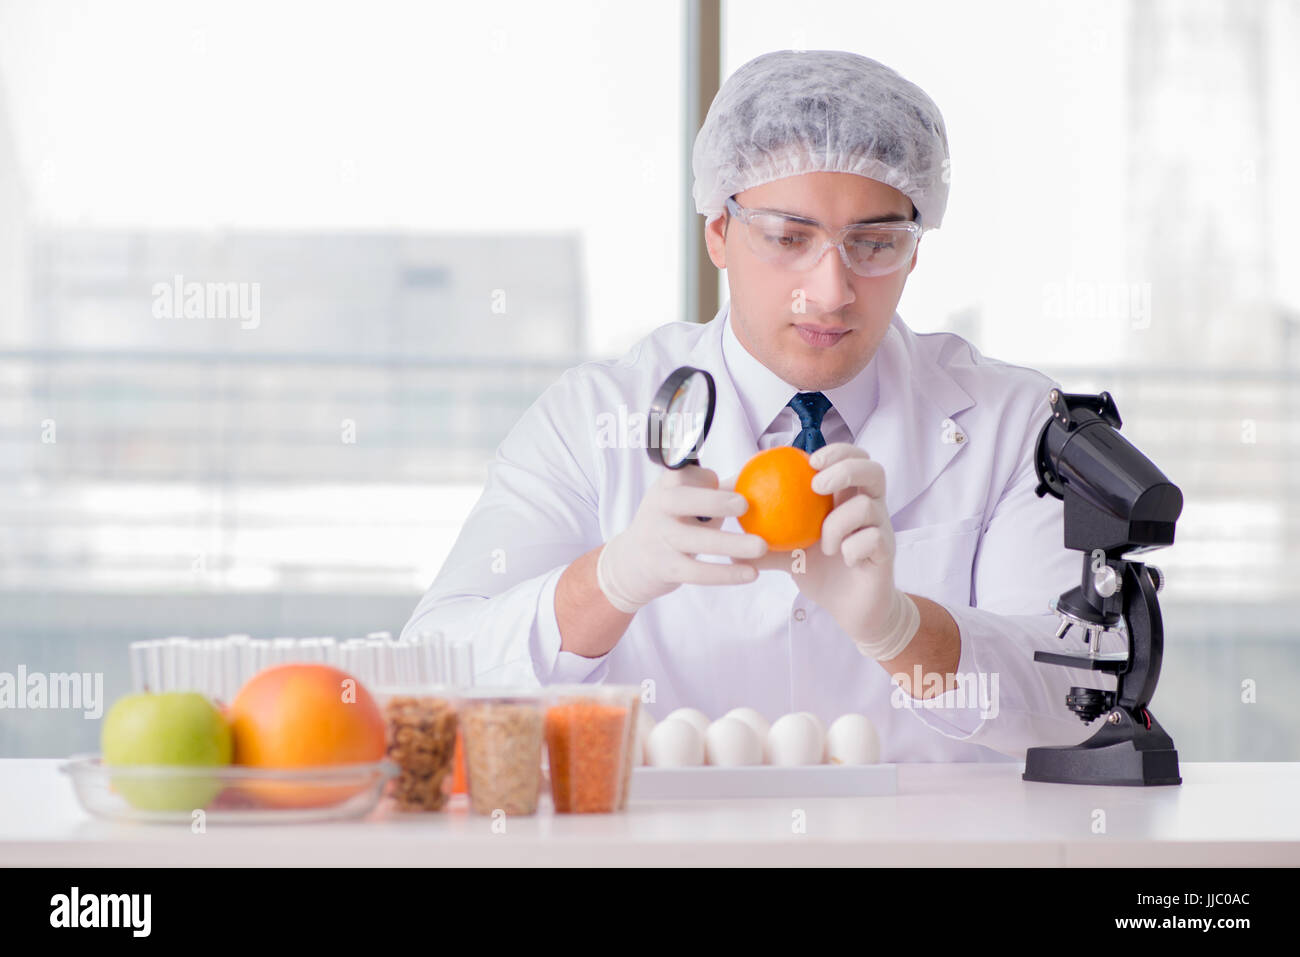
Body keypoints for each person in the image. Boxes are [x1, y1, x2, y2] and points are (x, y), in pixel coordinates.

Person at [402, 50, 1118, 761]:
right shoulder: (593, 419)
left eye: (875, 243)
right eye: (787, 237)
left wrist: (903, 632)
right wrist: (611, 580)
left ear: (916, 248)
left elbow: (1080, 695)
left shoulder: (1016, 424)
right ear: (718, 230)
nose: (832, 290)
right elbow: (435, 672)